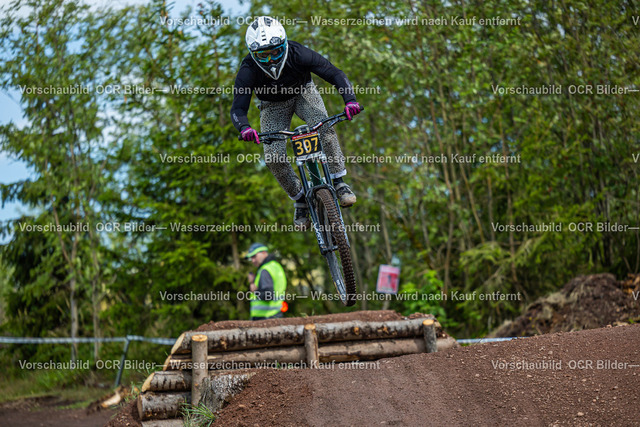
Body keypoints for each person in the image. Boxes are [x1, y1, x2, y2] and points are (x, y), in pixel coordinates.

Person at [231, 16, 363, 230]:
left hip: (303, 93)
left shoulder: (298, 53)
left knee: (324, 127)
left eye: (275, 52)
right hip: (272, 106)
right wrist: (244, 128)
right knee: (273, 156)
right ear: (253, 54)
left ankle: (339, 182)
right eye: (263, 55)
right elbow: (238, 109)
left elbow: (335, 73)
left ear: (284, 44)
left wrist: (350, 101)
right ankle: (300, 199)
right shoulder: (248, 70)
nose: (270, 60)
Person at [245, 242, 287, 320]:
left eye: (254, 256)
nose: (253, 260)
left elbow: (268, 296)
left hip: (265, 317)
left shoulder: (265, 270)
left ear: (264, 253)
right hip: (275, 314)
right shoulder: (275, 266)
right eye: (251, 258)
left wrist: (255, 291)